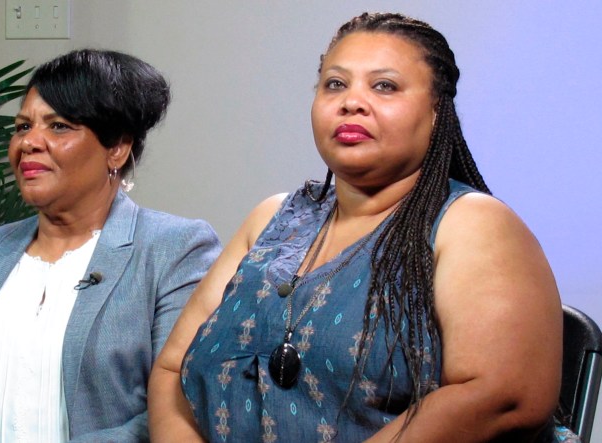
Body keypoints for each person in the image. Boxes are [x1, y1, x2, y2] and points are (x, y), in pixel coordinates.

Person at [149, 12, 578, 442]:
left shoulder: (471, 222)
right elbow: (171, 370)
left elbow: (502, 394)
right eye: (335, 84)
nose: (351, 102)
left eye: (384, 86)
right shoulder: (272, 218)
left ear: (436, 113)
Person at [0, 49, 221, 442]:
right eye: (22, 127)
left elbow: (175, 409)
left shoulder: (175, 250)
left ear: (117, 148)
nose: (29, 142)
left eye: (59, 126)